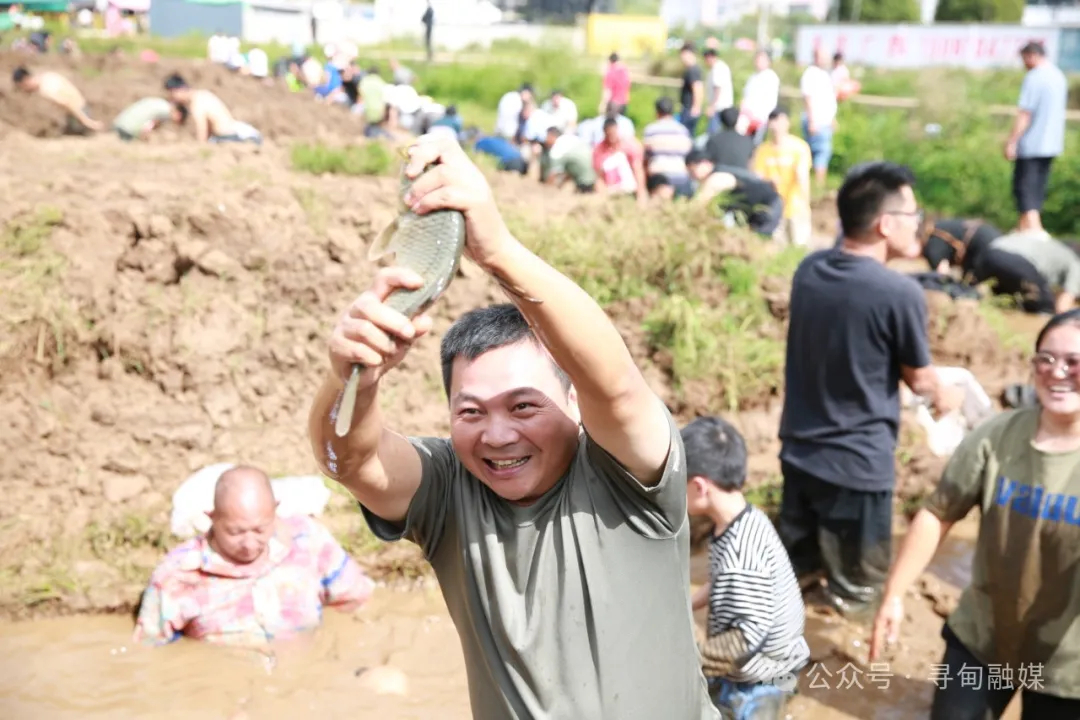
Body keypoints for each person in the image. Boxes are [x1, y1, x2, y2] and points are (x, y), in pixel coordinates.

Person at [308, 134, 719, 719]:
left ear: (575, 403)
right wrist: (352, 375)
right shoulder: (449, 489)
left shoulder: (627, 474)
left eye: (524, 406)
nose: (497, 435)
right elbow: (347, 461)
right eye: (471, 412)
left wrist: (496, 250)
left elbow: (620, 388)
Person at [870, 309, 1080, 719]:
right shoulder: (998, 435)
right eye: (1046, 359)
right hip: (985, 636)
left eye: (1074, 362)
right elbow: (937, 513)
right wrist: (893, 595)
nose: (1058, 373)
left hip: (1067, 663)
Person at [777, 161, 962, 620]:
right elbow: (919, 380)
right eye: (913, 216)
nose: (918, 225)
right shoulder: (896, 293)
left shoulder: (809, 270)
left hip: (799, 452)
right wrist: (947, 395)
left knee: (795, 575)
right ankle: (853, 657)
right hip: (856, 467)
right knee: (860, 591)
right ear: (885, 224)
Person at [133, 466, 374, 646]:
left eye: (260, 530)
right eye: (235, 532)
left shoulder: (308, 539)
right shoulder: (179, 574)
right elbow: (151, 652)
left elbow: (357, 601)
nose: (249, 544)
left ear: (275, 511)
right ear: (212, 517)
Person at [684, 416, 810, 720]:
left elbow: (747, 635)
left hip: (764, 675)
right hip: (759, 654)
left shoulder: (742, 560)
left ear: (700, 487)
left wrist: (693, 662)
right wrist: (686, 605)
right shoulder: (745, 520)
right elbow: (721, 584)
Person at [920, 217, 1068, 314]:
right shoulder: (941, 230)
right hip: (996, 247)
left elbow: (942, 278)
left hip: (987, 251)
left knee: (964, 292)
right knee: (1003, 292)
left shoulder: (933, 244)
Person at [1005, 41, 1067, 236]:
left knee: (1024, 188)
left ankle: (1034, 230)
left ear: (1031, 55)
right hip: (1052, 143)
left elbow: (1025, 114)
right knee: (1038, 187)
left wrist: (1012, 141)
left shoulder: (1034, 78)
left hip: (1032, 144)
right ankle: (1024, 228)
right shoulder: (1059, 76)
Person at [751, 107, 812, 248]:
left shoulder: (799, 147)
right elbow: (757, 176)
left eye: (779, 121)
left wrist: (806, 202)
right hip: (773, 205)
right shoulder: (763, 150)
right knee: (777, 245)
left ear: (787, 123)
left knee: (799, 245)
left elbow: (803, 176)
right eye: (773, 121)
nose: (775, 126)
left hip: (796, 204)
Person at [686, 151, 783, 237]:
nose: (691, 175)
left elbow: (699, 202)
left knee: (760, 240)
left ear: (706, 163)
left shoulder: (717, 177)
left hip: (766, 205)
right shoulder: (722, 172)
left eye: (692, 169)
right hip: (755, 208)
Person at [164, 73, 262, 145]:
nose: (173, 99)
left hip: (235, 137)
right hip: (239, 132)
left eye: (173, 95)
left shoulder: (197, 103)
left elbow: (202, 130)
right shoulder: (202, 95)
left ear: (179, 90)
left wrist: (199, 148)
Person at [12, 66, 103, 134]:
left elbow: (67, 103)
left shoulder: (46, 89)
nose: (24, 91)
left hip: (79, 115)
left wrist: (87, 122)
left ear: (26, 81)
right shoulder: (47, 76)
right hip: (81, 109)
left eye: (22, 87)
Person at [800, 46, 838, 196]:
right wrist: (812, 121)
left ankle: (814, 185)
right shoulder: (810, 74)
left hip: (824, 121)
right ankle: (817, 186)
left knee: (820, 153)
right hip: (816, 122)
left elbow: (827, 100)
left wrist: (832, 118)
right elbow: (808, 99)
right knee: (820, 153)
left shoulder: (823, 74)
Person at [643, 96, 694, 199]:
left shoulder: (651, 130)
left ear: (657, 112)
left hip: (658, 179)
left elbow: (645, 157)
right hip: (681, 177)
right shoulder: (683, 131)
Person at [592, 116, 648, 204]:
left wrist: (641, 193)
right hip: (611, 191)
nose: (612, 137)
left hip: (629, 189)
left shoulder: (629, 146)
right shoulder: (599, 150)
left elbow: (638, 169)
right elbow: (599, 177)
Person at [739, 51, 780, 145]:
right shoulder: (752, 77)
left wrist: (764, 118)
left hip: (760, 119)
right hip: (747, 118)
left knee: (756, 145)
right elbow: (746, 96)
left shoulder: (771, 77)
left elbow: (770, 101)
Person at [538, 127, 596, 193]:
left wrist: (545, 190)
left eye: (546, 137)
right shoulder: (568, 139)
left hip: (584, 177)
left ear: (551, 136)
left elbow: (553, 173)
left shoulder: (557, 148)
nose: (545, 140)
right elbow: (570, 170)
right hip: (592, 170)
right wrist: (560, 186)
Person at [704, 107, 755, 172]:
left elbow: (708, 162)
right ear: (737, 120)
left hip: (720, 175)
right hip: (742, 179)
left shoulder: (714, 140)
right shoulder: (748, 141)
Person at [702, 48, 734, 136]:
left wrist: (712, 106)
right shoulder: (718, 67)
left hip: (719, 108)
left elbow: (717, 88)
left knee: (713, 134)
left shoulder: (718, 68)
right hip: (721, 107)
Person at [679, 42, 704, 136]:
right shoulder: (691, 69)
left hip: (689, 109)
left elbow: (698, 89)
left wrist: (696, 107)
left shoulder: (693, 70)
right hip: (688, 108)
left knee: (687, 135)